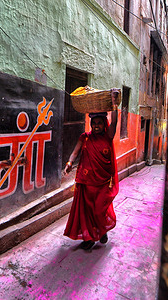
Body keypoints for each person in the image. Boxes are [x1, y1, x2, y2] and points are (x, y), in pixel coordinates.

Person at [63, 90, 120, 250]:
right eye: (93, 123)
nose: (96, 126)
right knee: (87, 210)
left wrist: (114, 104)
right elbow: (75, 152)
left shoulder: (108, 136)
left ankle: (101, 231)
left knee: (99, 209)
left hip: (102, 182)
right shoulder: (85, 137)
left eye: (99, 123)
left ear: (104, 124)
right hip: (86, 182)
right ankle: (89, 237)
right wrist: (69, 162)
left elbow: (114, 124)